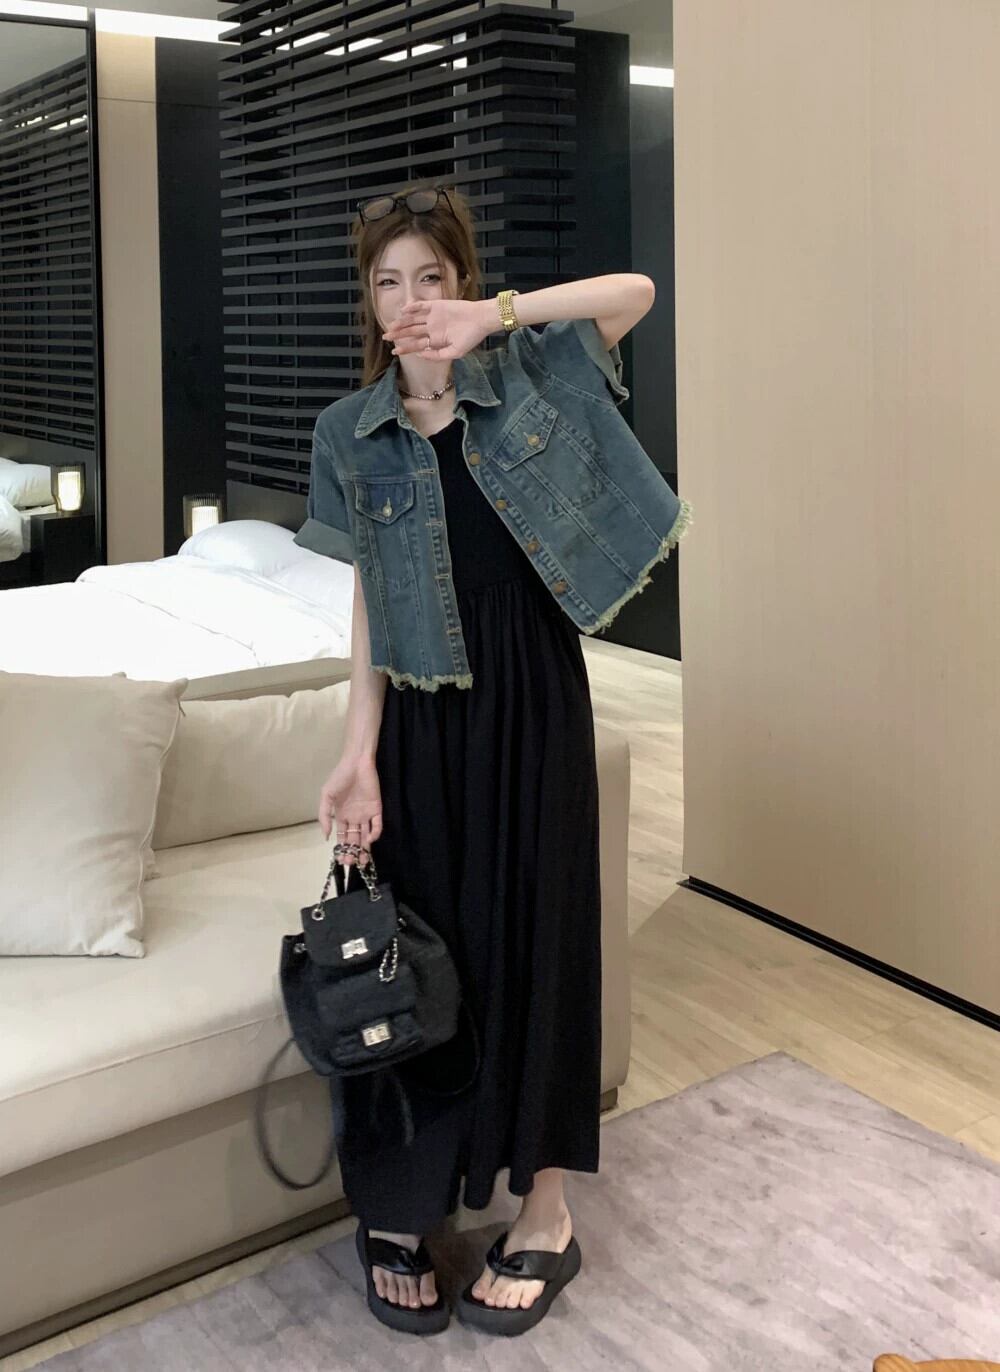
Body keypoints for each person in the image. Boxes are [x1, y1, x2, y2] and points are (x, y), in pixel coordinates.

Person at [304, 182, 690, 1337]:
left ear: (459, 282)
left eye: (430, 277)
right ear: (367, 301)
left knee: (541, 941)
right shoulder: (348, 430)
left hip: (533, 700)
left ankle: (546, 1214)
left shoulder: (523, 373)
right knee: (424, 965)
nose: (409, 301)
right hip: (420, 717)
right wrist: (357, 753)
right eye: (387, 282)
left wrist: (497, 317)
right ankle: (400, 1209)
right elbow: (372, 599)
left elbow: (636, 291)